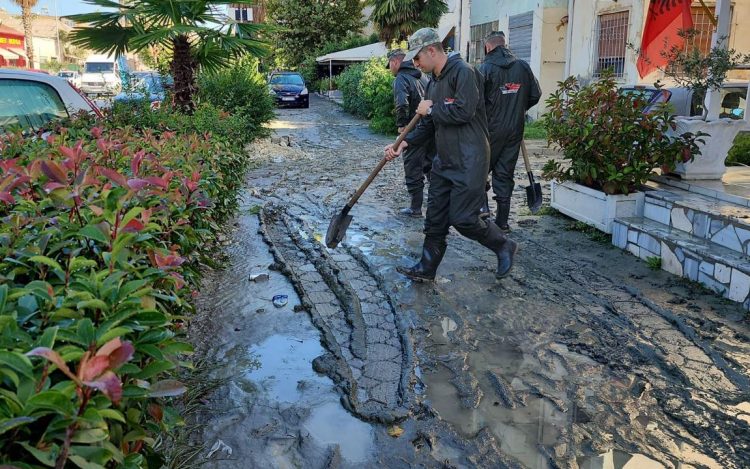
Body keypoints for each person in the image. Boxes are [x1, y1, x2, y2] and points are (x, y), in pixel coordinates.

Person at [385, 28, 518, 281]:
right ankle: (426, 268)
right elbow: (429, 124)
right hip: (443, 160)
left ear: (432, 50)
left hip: (470, 159)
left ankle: (503, 245)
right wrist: (405, 143)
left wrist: (432, 109)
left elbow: (463, 112)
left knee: (464, 218)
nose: (415, 64)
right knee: (435, 218)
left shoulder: (464, 73)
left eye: (417, 58)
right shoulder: (434, 80)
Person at [478, 31, 541, 232]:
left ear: (488, 47)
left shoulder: (485, 68)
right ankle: (503, 222)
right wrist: (517, 109)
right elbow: (535, 94)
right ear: (504, 44)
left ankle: (484, 210)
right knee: (504, 173)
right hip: (515, 129)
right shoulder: (522, 66)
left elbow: (476, 101)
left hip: (490, 130)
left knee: (478, 169)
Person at [387, 49, 432, 217]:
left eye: (390, 65)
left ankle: (415, 208)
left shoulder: (401, 78)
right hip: (429, 128)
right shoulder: (423, 76)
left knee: (413, 167)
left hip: (413, 130)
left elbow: (401, 103)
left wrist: (401, 127)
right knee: (430, 166)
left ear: (395, 62)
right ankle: (436, 206)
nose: (390, 69)